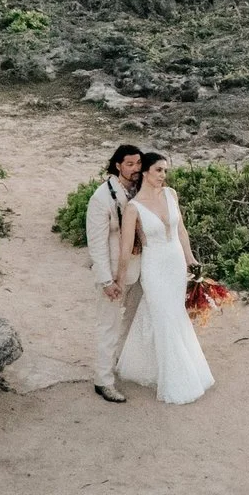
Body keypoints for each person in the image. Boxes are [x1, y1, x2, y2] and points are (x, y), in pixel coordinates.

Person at [113, 152, 215, 406]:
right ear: (145, 172)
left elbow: (181, 229)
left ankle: (148, 367)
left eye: (165, 171)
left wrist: (191, 260)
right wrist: (119, 280)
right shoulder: (133, 208)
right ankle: (175, 379)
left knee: (175, 315)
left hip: (175, 264)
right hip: (154, 267)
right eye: (159, 170)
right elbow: (126, 248)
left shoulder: (171, 195)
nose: (163, 175)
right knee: (163, 316)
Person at [87, 144, 145, 403]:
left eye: (138, 164)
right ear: (117, 165)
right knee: (107, 326)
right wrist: (105, 280)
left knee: (132, 322)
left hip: (140, 271)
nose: (135, 169)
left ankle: (120, 364)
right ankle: (103, 380)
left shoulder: (142, 190)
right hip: (113, 273)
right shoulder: (102, 198)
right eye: (130, 164)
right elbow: (96, 242)